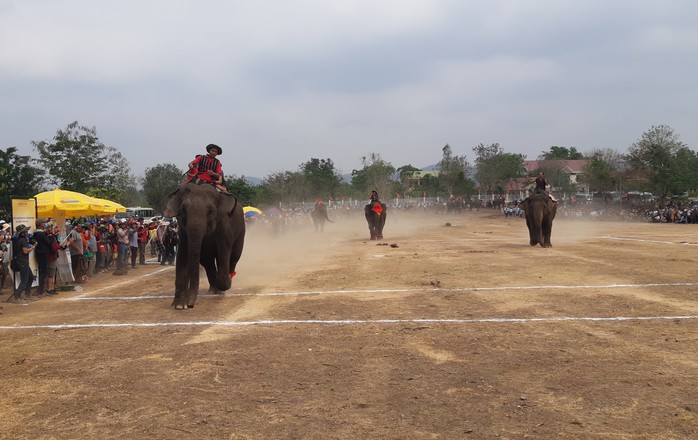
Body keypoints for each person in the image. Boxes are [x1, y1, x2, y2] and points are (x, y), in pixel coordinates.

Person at [9, 224, 36, 302]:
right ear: (22, 232)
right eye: (25, 230)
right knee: (24, 280)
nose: (27, 231)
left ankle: (27, 294)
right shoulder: (23, 240)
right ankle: (17, 297)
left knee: (30, 277)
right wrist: (33, 247)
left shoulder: (17, 239)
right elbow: (25, 251)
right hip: (23, 261)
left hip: (20, 261)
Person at [33, 218, 52, 296]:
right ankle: (41, 290)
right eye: (44, 223)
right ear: (41, 224)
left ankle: (41, 290)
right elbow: (49, 243)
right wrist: (51, 236)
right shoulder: (41, 234)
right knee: (43, 272)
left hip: (40, 253)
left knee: (43, 272)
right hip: (43, 253)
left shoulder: (37, 233)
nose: (45, 224)